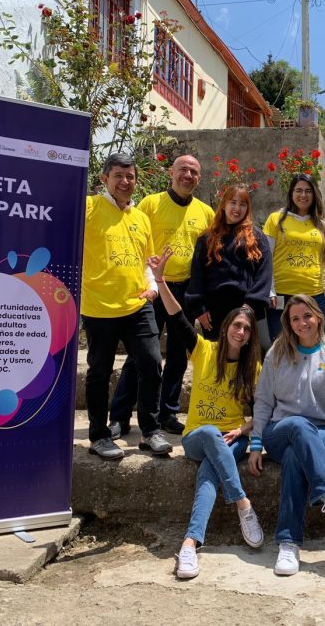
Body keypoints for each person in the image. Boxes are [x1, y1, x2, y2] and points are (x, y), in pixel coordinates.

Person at [145, 248, 264, 579]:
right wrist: (160, 280)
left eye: (247, 329)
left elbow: (263, 410)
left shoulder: (252, 366)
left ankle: (189, 544)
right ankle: (243, 504)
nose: (240, 332)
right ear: (227, 326)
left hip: (233, 439)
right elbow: (177, 316)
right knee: (211, 436)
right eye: (236, 325)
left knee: (209, 474)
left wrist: (244, 429)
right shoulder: (204, 350)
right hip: (198, 435)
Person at [248, 295, 325, 576]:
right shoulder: (277, 352)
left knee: (298, 458)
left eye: (306, 316)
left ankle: (287, 544)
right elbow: (263, 401)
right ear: (288, 322)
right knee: (296, 425)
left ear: (318, 317)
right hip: (279, 432)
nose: (301, 323)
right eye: (294, 318)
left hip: (321, 433)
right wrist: (256, 442)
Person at [109, 154, 215, 438]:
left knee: (179, 357)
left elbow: (208, 257)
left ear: (199, 178)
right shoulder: (151, 204)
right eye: (183, 170)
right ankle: (119, 416)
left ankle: (167, 413)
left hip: (185, 292)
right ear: (172, 172)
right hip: (153, 288)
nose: (188, 176)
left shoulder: (206, 212)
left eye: (194, 171)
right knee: (140, 355)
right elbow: (133, 241)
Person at [81, 153, 171, 460]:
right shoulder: (90, 207)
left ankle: (150, 431)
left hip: (138, 304)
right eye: (118, 175)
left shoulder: (141, 218)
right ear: (105, 178)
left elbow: (147, 260)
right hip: (98, 307)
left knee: (151, 364)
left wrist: (153, 285)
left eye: (130, 176)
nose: (125, 182)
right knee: (99, 373)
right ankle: (98, 436)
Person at [185, 185, 272, 342]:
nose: (237, 208)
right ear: (224, 205)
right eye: (233, 202)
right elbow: (197, 275)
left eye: (242, 204)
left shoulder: (257, 237)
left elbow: (264, 274)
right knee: (217, 359)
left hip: (246, 309)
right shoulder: (207, 237)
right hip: (214, 312)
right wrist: (200, 308)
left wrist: (250, 306)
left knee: (247, 360)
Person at [263, 174, 325, 339]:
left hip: (315, 295)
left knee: (317, 347)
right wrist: (270, 290)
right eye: (298, 190)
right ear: (291, 194)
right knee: (282, 347)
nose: (303, 195)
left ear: (314, 195)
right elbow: (265, 257)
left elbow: (324, 262)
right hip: (281, 295)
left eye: (308, 191)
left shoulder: (321, 225)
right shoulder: (276, 219)